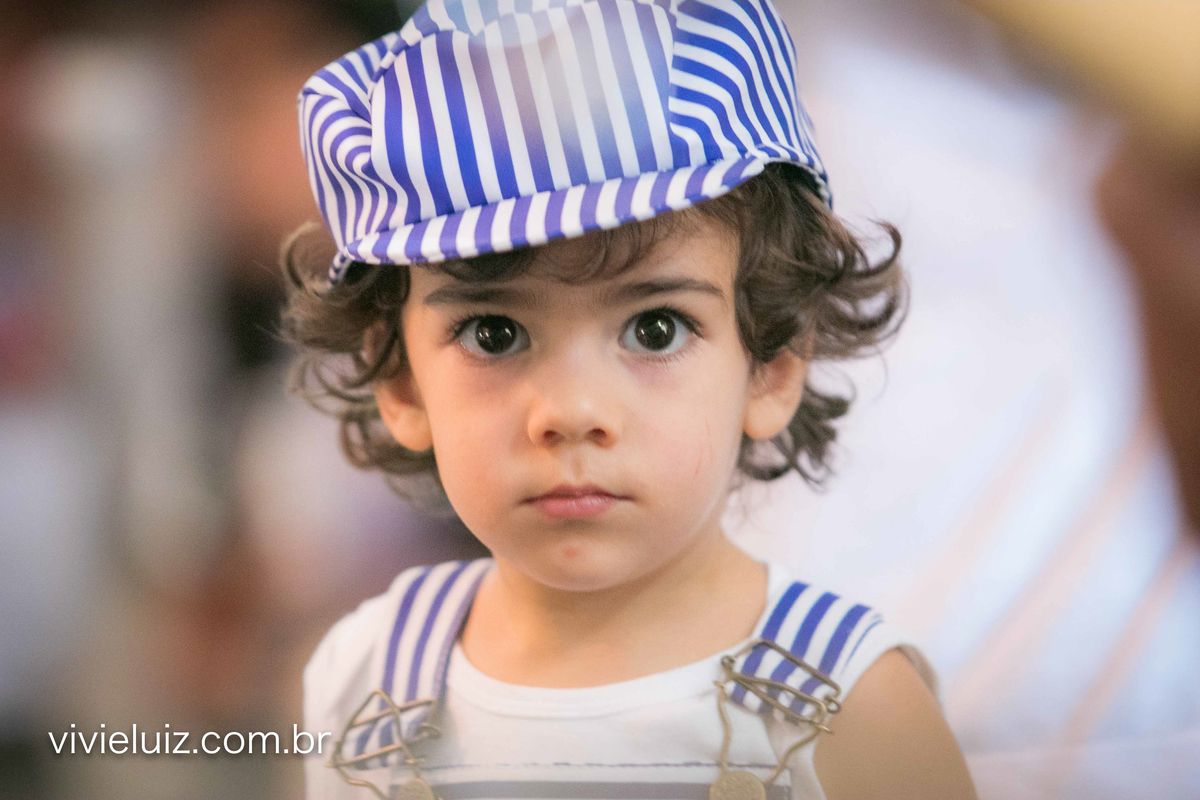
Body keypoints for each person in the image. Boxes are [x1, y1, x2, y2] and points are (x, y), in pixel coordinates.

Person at [283, 1, 977, 798]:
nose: (571, 412)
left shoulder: (852, 712)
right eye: (495, 335)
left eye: (654, 329)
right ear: (400, 380)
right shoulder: (363, 680)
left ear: (772, 363)